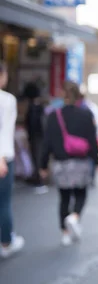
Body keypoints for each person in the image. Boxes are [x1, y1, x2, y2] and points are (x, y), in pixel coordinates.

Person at [40, 81, 98, 246]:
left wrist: (43, 165)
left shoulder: (54, 116)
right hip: (80, 162)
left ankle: (65, 233)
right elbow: (93, 142)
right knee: (81, 194)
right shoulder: (86, 115)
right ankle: (74, 216)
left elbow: (47, 143)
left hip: (60, 163)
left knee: (64, 198)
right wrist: (96, 161)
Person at [0, 62, 25, 258]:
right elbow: (4, 131)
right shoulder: (7, 100)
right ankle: (6, 242)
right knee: (4, 203)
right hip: (3, 157)